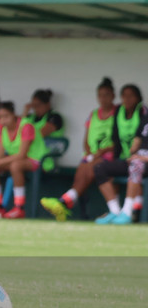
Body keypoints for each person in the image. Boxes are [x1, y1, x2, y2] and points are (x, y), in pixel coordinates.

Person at [41, 77, 117, 221]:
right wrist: (89, 152)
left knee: (90, 169)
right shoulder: (93, 114)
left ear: (113, 96)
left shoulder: (118, 113)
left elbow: (120, 141)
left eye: (106, 94)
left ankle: (65, 202)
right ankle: (67, 204)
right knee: (82, 170)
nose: (103, 98)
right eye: (100, 95)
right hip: (93, 155)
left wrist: (103, 151)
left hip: (110, 155)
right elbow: (86, 140)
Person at [0, 101, 49, 219]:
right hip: (16, 160)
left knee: (15, 166)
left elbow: (22, 154)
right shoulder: (1, 129)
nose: (3, 120)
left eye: (6, 116)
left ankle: (19, 208)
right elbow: (0, 154)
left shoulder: (26, 126)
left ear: (13, 115)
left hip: (38, 160)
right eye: (0, 117)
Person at [92, 84, 147, 224]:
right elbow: (136, 142)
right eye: (125, 96)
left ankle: (127, 213)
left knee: (136, 164)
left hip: (144, 162)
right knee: (100, 168)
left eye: (131, 96)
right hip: (136, 159)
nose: (127, 99)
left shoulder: (143, 111)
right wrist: (132, 154)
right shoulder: (145, 118)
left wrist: (142, 157)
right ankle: (115, 211)